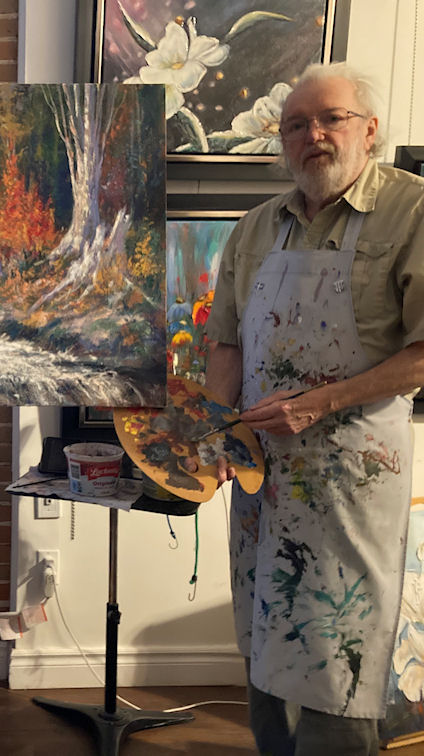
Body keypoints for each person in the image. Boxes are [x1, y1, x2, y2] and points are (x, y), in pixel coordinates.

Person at [203, 61, 424, 756]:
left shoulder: (412, 212)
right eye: (296, 125)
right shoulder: (254, 228)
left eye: (331, 119)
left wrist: (319, 403)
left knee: (337, 652)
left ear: (371, 129)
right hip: (260, 481)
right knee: (265, 633)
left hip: (350, 483)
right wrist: (216, 436)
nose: (313, 135)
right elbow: (225, 343)